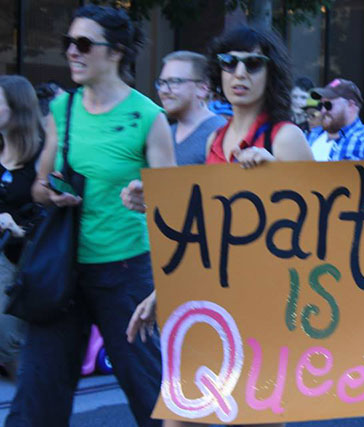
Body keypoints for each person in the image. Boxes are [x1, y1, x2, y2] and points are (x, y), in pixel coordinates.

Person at [125, 25, 312, 427]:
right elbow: (209, 232)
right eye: (229, 63)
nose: (239, 73)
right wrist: (165, 287)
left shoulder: (285, 136)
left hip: (265, 311)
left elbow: (322, 219)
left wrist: (276, 173)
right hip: (211, 309)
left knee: (251, 421)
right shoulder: (217, 140)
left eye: (253, 64)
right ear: (218, 73)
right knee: (181, 419)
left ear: (270, 72)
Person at [6, 5, 175, 426]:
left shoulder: (147, 116)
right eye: (68, 44)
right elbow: (39, 187)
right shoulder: (62, 110)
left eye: (83, 44)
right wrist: (53, 193)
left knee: (149, 391)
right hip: (62, 270)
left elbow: (177, 205)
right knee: (37, 395)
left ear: (115, 52)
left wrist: (148, 197)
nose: (72, 53)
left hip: (125, 273)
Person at [0, 76, 44, 380]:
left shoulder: (43, 155)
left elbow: (59, 211)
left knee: (6, 341)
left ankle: (32, 403)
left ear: (16, 108)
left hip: (20, 258)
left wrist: (20, 230)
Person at [156, 50, 226, 165]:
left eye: (174, 81)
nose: (163, 90)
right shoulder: (165, 133)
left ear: (202, 89)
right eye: (162, 83)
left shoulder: (220, 133)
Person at [310, 78, 364, 161]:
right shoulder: (313, 135)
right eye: (320, 105)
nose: (323, 111)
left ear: (351, 106)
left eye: (328, 105)